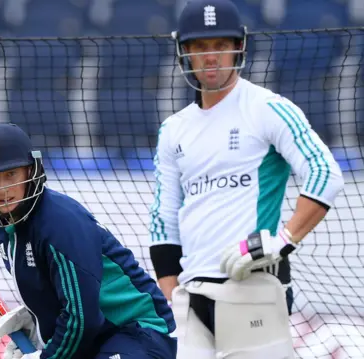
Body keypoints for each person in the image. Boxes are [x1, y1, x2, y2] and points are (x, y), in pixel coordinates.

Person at [148, 0, 345, 358]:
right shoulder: (172, 129)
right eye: (200, 47)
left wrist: (283, 241)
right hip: (192, 298)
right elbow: (163, 221)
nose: (212, 57)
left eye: (221, 45)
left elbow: (324, 173)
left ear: (238, 46)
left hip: (253, 287)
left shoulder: (268, 108)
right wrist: (172, 296)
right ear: (184, 51)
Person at [0, 123, 177, 359]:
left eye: (11, 174)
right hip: (97, 337)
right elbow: (55, 292)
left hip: (139, 331)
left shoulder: (59, 222)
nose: (4, 188)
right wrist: (37, 326)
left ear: (30, 171)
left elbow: (82, 316)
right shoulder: (1, 222)